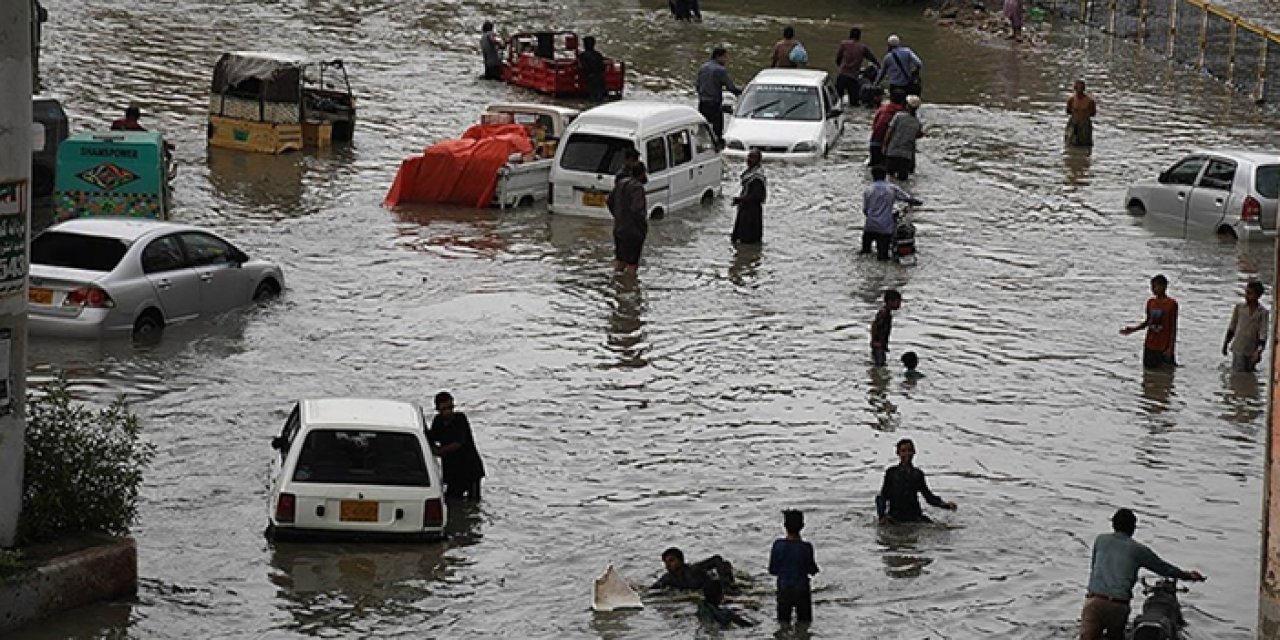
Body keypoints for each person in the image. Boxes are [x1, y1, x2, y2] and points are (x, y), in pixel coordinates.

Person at [1080, 508, 1206, 640]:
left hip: (1094, 602)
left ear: (1113, 524)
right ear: (1133, 528)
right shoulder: (1138, 550)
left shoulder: (1100, 540)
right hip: (1118, 606)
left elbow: (1094, 567)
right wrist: (1187, 575)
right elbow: (1163, 568)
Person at [875, 438, 957, 524]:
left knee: (944, 529)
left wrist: (945, 505)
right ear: (898, 453)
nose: (907, 454)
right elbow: (882, 496)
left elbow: (928, 497)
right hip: (895, 517)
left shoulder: (918, 474)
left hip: (915, 517)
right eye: (903, 451)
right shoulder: (891, 473)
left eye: (909, 450)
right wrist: (881, 516)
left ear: (914, 452)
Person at [427, 391, 486, 501]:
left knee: (473, 502)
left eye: (450, 408)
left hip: (470, 469)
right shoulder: (438, 421)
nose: (448, 412)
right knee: (452, 501)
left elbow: (459, 443)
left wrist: (439, 451)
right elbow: (431, 437)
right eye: (444, 409)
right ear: (437, 409)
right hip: (452, 471)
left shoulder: (460, 419)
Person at [768, 509, 818, 624]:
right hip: (802, 590)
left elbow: (773, 570)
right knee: (804, 623)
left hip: (784, 589)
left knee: (783, 623)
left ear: (784, 525)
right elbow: (812, 569)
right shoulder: (806, 547)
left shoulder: (778, 545)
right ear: (803, 526)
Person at [862, 166, 922, 261]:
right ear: (885, 176)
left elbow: (865, 210)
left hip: (870, 226)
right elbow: (906, 198)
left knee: (865, 254)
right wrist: (915, 202)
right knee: (883, 257)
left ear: (873, 176)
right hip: (885, 228)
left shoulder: (868, 190)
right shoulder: (891, 188)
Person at [1120, 274, 1178, 370]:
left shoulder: (1171, 304)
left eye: (1155, 286)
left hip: (1163, 346)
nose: (1153, 289)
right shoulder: (1151, 302)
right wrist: (1133, 329)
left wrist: (1170, 349)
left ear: (1164, 286)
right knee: (1148, 374)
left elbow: (1173, 328)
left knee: (1166, 374)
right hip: (1150, 345)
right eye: (1152, 287)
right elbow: (1148, 322)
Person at [607, 162, 649, 273]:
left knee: (620, 261)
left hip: (619, 229)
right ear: (642, 174)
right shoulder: (638, 188)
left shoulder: (620, 183)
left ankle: (617, 285)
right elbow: (637, 210)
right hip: (633, 232)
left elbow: (609, 201)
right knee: (632, 264)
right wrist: (643, 227)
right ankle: (630, 286)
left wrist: (618, 216)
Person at [696, 47, 741, 144]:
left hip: (703, 102)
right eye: (725, 57)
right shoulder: (720, 70)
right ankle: (718, 147)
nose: (726, 60)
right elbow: (730, 87)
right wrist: (743, 93)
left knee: (703, 129)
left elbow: (697, 85)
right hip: (714, 103)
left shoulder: (703, 67)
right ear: (718, 57)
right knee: (718, 131)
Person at [1223, 280, 1269, 373]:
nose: (1246, 296)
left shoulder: (1263, 313)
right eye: (1246, 292)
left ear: (1257, 296)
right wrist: (1225, 344)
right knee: (1238, 373)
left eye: (1250, 293)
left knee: (1249, 373)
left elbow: (1263, 334)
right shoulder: (1239, 308)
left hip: (1252, 350)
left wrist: (1258, 351)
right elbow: (1232, 327)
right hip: (1238, 348)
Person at [883, 95, 925, 180]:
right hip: (906, 156)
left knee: (889, 177)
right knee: (903, 180)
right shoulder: (917, 123)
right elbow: (916, 136)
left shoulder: (898, 116)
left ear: (907, 105)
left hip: (893, 151)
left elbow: (889, 132)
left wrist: (884, 146)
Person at [652, 547, 736, 590]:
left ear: (681, 561)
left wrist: (724, 581)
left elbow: (716, 559)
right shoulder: (667, 578)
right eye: (666, 562)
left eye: (671, 561)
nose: (668, 565)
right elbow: (651, 590)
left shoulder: (694, 570)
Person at [731, 150, 766, 244]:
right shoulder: (749, 173)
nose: (749, 160)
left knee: (748, 239)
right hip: (745, 209)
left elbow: (756, 196)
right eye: (748, 157)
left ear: (758, 160)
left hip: (751, 213)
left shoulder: (757, 177)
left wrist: (740, 199)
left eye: (752, 157)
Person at [835, 27, 877, 107]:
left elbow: (838, 58)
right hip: (853, 77)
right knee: (854, 103)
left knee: (837, 100)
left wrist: (841, 67)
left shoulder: (844, 44)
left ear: (850, 35)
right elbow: (872, 58)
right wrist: (879, 66)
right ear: (859, 36)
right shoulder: (862, 47)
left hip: (842, 74)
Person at [869, 92, 906, 167]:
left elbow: (874, 125)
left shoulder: (882, 109)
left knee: (874, 167)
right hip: (889, 146)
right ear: (903, 101)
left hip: (874, 141)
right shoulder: (903, 114)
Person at [870, 289, 903, 366]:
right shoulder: (884, 313)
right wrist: (875, 341)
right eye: (898, 302)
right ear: (890, 301)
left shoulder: (887, 313)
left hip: (880, 344)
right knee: (880, 365)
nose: (899, 304)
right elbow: (874, 326)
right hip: (878, 345)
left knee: (881, 364)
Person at [1065, 80, 1097, 147]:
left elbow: (1093, 113)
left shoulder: (1090, 101)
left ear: (1084, 89)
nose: (1079, 90)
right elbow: (1068, 111)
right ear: (1075, 88)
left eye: (1081, 88)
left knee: (1085, 144)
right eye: (1077, 88)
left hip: (1085, 124)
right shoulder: (1071, 100)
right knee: (1070, 143)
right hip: (1073, 122)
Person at [579, 36, 607, 103]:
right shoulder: (598, 55)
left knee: (593, 95)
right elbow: (603, 66)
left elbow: (583, 67)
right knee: (600, 94)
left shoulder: (583, 55)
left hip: (591, 77)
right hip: (600, 77)